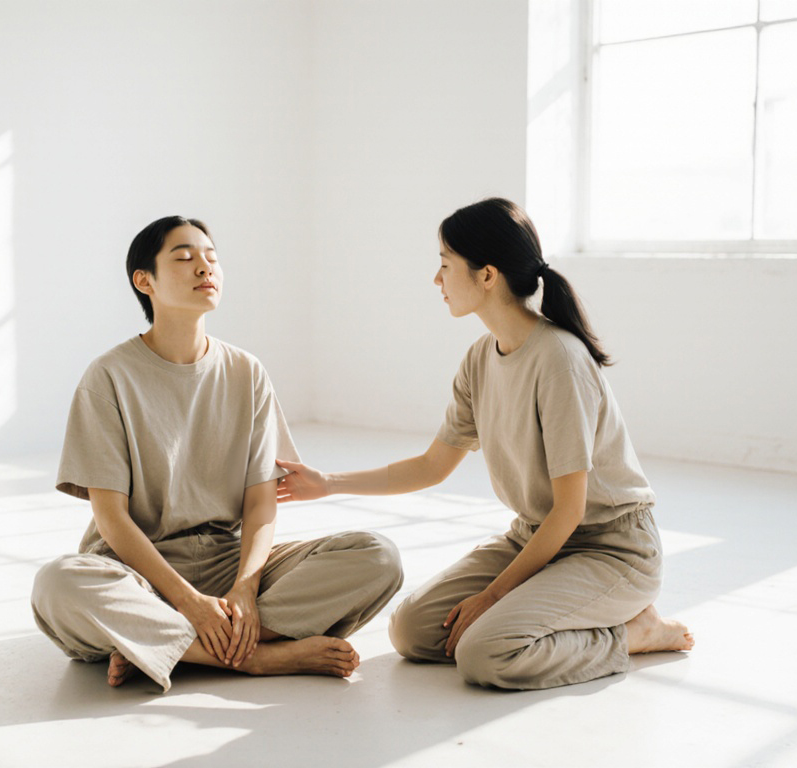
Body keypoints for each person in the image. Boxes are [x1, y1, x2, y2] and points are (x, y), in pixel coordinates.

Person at [277, 198, 693, 691]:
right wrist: (327, 483)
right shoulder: (479, 359)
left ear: (487, 275)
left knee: (485, 654)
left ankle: (635, 631)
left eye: (445, 265)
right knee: (413, 631)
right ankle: (555, 610)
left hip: (612, 548)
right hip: (536, 536)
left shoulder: (559, 359)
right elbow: (433, 465)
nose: (436, 280)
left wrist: (492, 597)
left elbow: (570, 509)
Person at [31, 216, 403, 692]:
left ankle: (167, 647)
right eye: (184, 258)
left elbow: (260, 502)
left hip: (224, 562)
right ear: (144, 281)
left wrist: (245, 587)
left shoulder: (246, 372)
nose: (204, 268)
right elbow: (111, 520)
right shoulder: (108, 377)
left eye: (211, 257)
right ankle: (254, 658)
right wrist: (187, 601)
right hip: (134, 570)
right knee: (57, 584)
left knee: (377, 557)